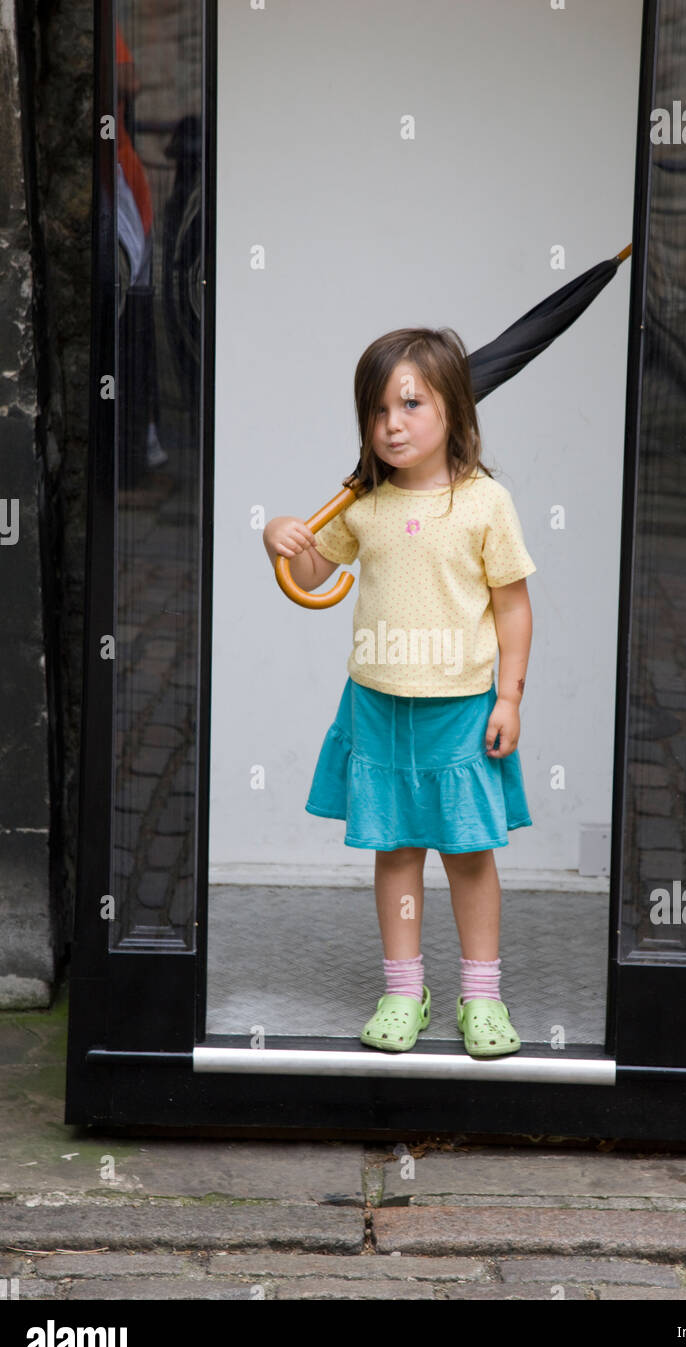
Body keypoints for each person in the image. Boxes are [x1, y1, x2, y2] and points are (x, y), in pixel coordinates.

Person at [263, 327, 536, 1058]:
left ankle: (481, 997)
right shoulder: (363, 506)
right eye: (378, 410)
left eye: (412, 404)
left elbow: (512, 606)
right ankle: (402, 990)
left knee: (471, 853)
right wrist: (281, 539)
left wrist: (508, 697)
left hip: (461, 710)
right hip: (379, 706)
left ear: (457, 409)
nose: (392, 423)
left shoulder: (484, 504)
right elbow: (315, 573)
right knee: (396, 851)